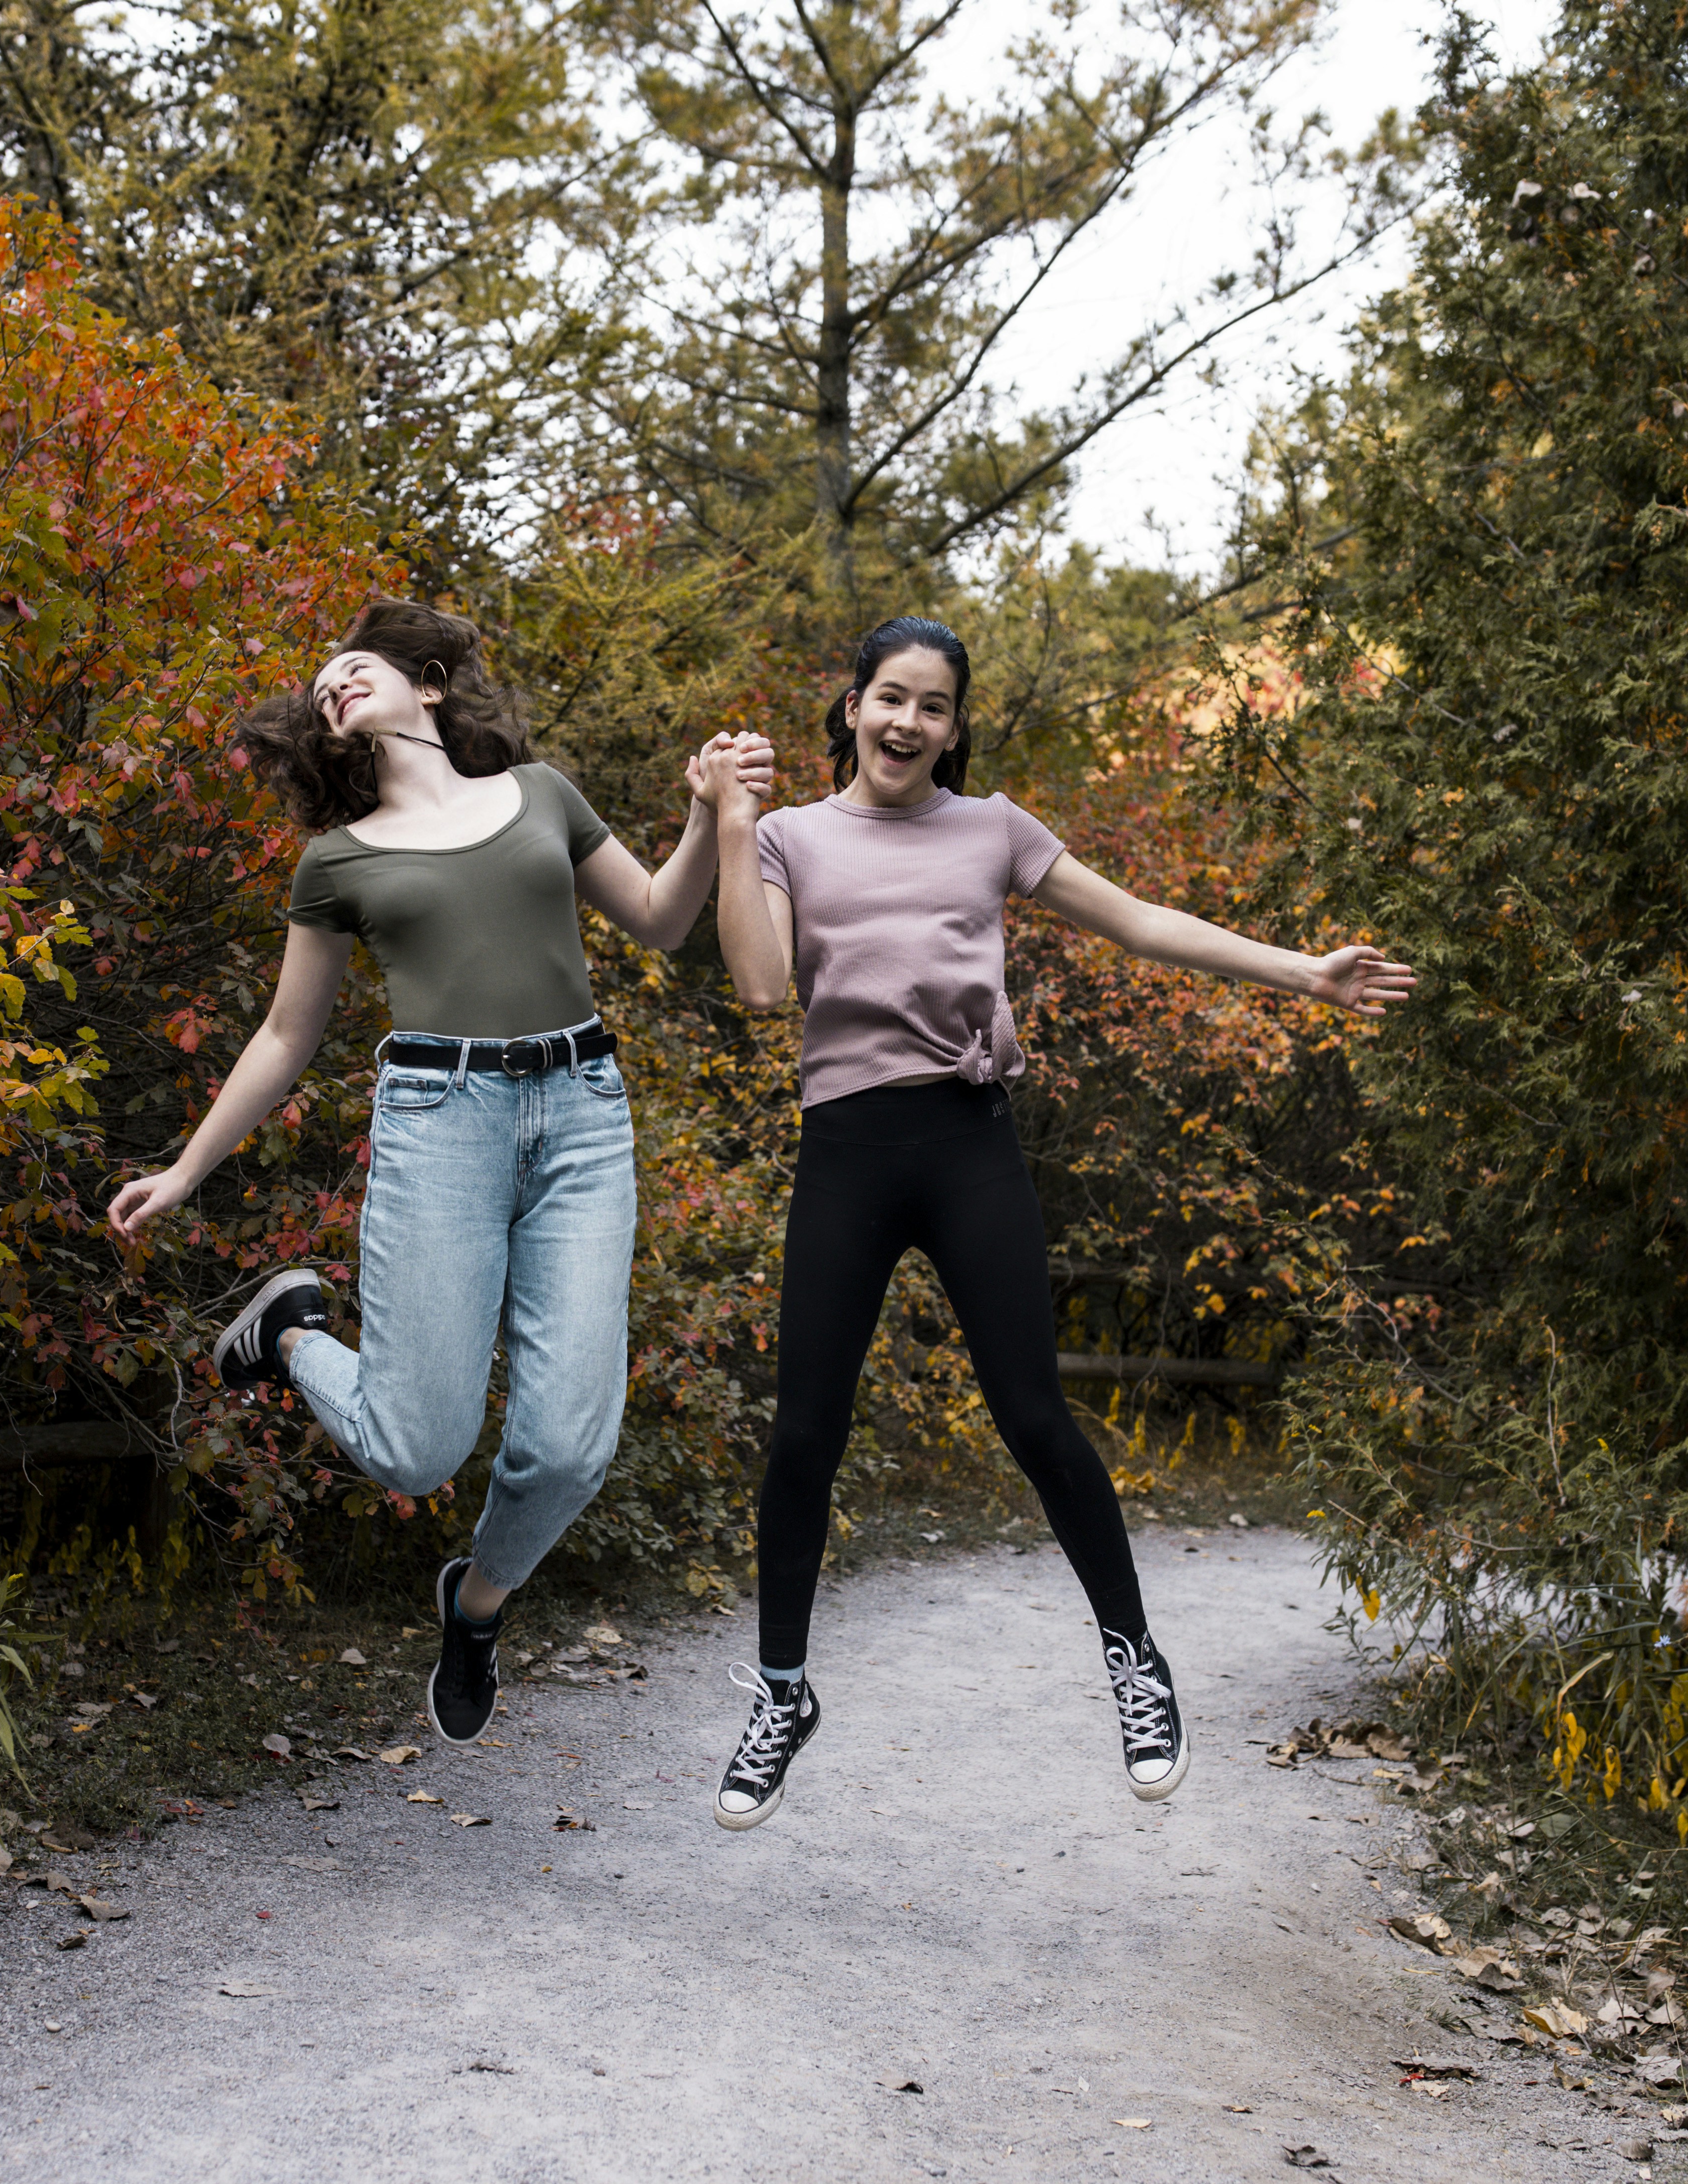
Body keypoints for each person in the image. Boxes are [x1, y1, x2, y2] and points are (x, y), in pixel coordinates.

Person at [697, 615, 1417, 1829]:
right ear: (853, 707)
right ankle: (781, 1691)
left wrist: (1305, 972)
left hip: (969, 1143)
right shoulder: (786, 835)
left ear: (955, 728)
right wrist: (724, 817)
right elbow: (764, 985)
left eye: (933, 705)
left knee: (1034, 1414)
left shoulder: (994, 830)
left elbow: (1140, 921)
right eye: (889, 697)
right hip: (848, 1150)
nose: (907, 722)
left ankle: (1135, 1657)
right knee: (804, 1433)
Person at [109, 599, 770, 1748]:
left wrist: (711, 811)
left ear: (424, 683)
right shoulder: (338, 861)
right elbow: (284, 1036)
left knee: (569, 1445)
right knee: (417, 1448)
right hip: (438, 1118)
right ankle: (289, 1335)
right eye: (321, 695)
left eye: (352, 668)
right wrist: (186, 1165)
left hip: (581, 1113)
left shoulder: (542, 794)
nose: (335, 690)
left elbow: (664, 922)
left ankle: (477, 1607)